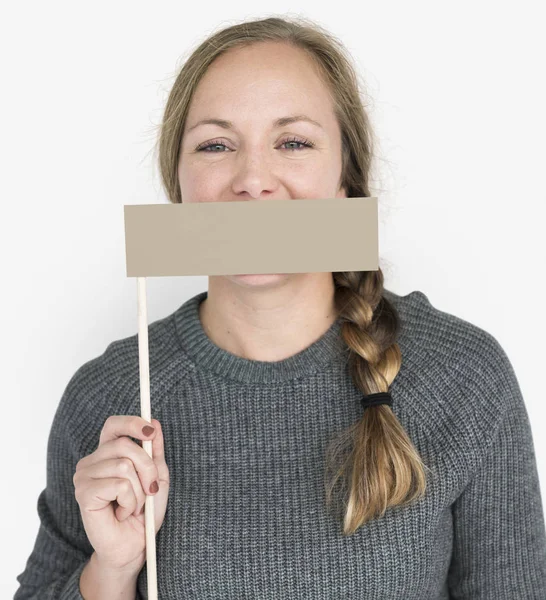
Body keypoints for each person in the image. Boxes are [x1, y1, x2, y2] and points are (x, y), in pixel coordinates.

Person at [14, 15, 546, 600]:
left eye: (292, 142)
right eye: (216, 145)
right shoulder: (109, 397)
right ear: (179, 184)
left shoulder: (463, 376)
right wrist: (111, 571)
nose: (253, 179)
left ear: (345, 177)